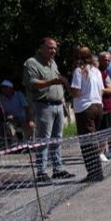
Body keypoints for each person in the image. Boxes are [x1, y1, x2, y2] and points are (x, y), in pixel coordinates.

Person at [24, 37, 72, 181]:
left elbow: (57, 82)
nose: (53, 51)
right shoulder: (31, 63)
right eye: (50, 48)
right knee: (43, 140)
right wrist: (52, 81)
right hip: (43, 105)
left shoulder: (53, 63)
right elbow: (33, 84)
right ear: (41, 48)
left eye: (55, 48)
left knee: (57, 139)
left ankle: (58, 169)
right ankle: (42, 172)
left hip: (57, 104)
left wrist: (62, 100)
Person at [69, 46, 111, 182]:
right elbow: (101, 89)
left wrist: (64, 82)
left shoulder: (78, 71)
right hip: (98, 106)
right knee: (93, 140)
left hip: (85, 108)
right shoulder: (96, 71)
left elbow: (76, 92)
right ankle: (96, 172)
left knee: (87, 143)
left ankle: (94, 173)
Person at [0, 79, 31, 149]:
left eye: (5, 88)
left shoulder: (19, 95)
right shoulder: (1, 98)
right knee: (8, 126)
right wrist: (6, 115)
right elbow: (2, 111)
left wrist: (29, 119)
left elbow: (26, 107)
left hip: (22, 117)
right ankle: (15, 144)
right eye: (2, 88)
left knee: (28, 126)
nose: (2, 89)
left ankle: (27, 144)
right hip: (11, 119)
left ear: (10, 88)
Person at [97, 51, 111, 159]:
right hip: (99, 106)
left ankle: (102, 151)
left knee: (106, 130)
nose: (107, 62)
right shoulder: (97, 72)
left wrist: (105, 90)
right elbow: (108, 89)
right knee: (99, 131)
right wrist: (104, 90)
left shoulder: (106, 72)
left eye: (109, 60)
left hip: (107, 105)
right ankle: (99, 152)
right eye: (105, 60)